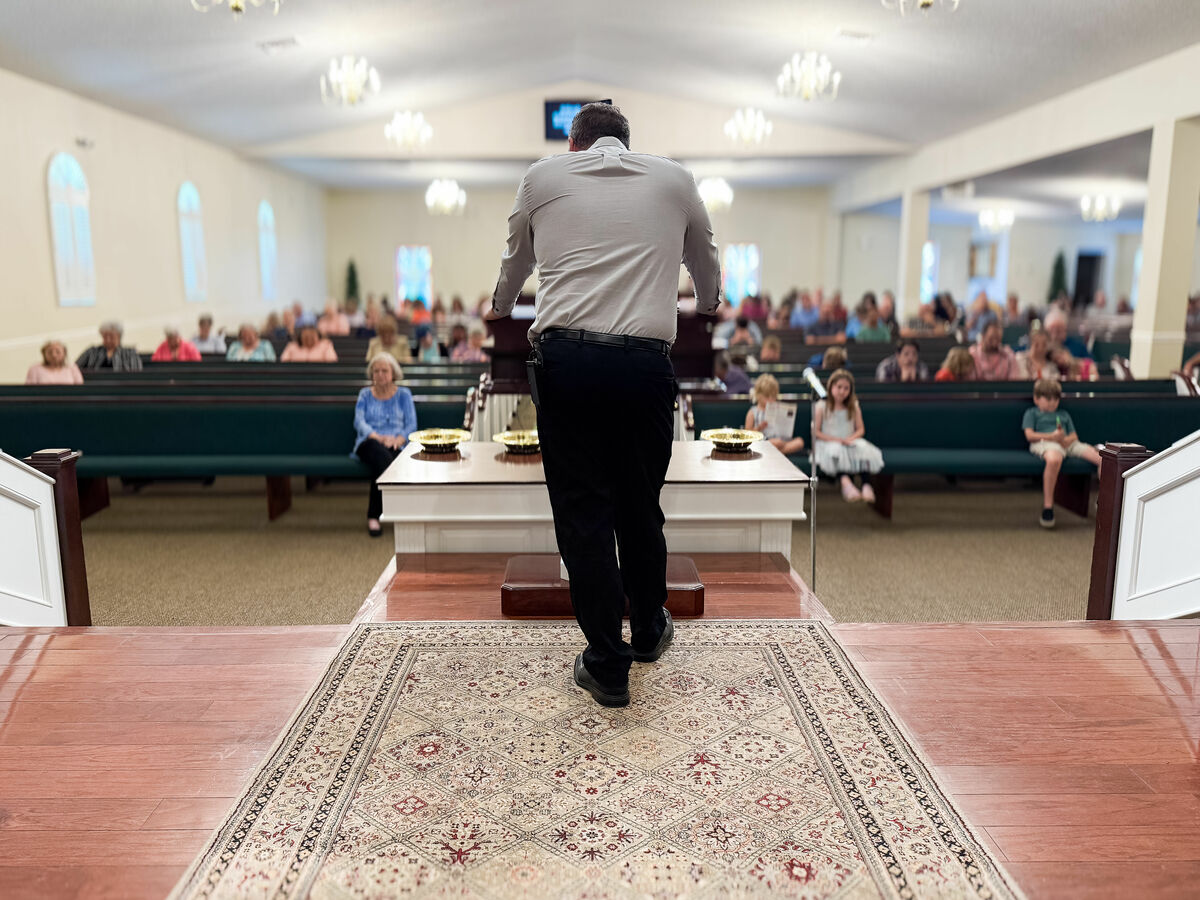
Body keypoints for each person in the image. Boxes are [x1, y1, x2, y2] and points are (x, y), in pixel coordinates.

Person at [490, 102, 721, 708]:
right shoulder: (674, 178)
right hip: (646, 364)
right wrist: (706, 305)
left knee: (583, 511)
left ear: (575, 146)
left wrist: (500, 302)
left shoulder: (543, 177)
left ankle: (607, 665)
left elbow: (514, 263)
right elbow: (706, 263)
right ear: (627, 142)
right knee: (640, 503)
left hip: (567, 366)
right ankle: (647, 629)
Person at [353, 353, 417, 537]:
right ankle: (396, 513)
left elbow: (411, 424)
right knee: (385, 459)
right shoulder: (365, 394)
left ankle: (375, 515)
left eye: (384, 371)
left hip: (397, 444)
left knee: (385, 461)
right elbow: (359, 422)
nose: (380, 374)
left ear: (393, 373)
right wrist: (378, 437)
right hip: (369, 442)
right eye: (376, 371)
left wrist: (398, 439)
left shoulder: (404, 394)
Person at [1022, 378, 1101, 528]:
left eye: (1056, 399)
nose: (1052, 402)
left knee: (1103, 459)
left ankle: (1102, 501)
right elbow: (1030, 436)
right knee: (1054, 459)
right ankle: (1048, 507)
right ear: (1036, 399)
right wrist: (1052, 437)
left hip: (1067, 443)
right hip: (1044, 442)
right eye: (1048, 398)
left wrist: (1064, 440)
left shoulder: (1063, 414)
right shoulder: (1032, 413)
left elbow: (1074, 436)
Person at [812, 368, 884, 503]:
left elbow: (860, 429)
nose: (842, 391)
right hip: (828, 441)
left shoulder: (853, 406)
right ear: (831, 386)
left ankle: (866, 485)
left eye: (846, 388)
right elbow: (816, 432)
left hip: (849, 439)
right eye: (838, 387)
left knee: (862, 449)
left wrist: (850, 439)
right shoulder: (822, 406)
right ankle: (846, 483)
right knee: (837, 451)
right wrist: (836, 440)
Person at [746, 374, 805, 455]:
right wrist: (759, 427)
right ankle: (777, 452)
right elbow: (747, 435)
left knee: (799, 442)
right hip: (764, 441)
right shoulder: (753, 412)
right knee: (776, 443)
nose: (770, 400)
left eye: (773, 396)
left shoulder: (778, 408)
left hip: (782, 441)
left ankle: (773, 453)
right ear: (758, 395)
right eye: (767, 396)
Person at [76, 321, 142, 371]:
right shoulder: (92, 351)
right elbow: (75, 368)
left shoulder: (130, 353)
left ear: (119, 336)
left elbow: (136, 372)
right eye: (105, 336)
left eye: (111, 336)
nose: (108, 340)